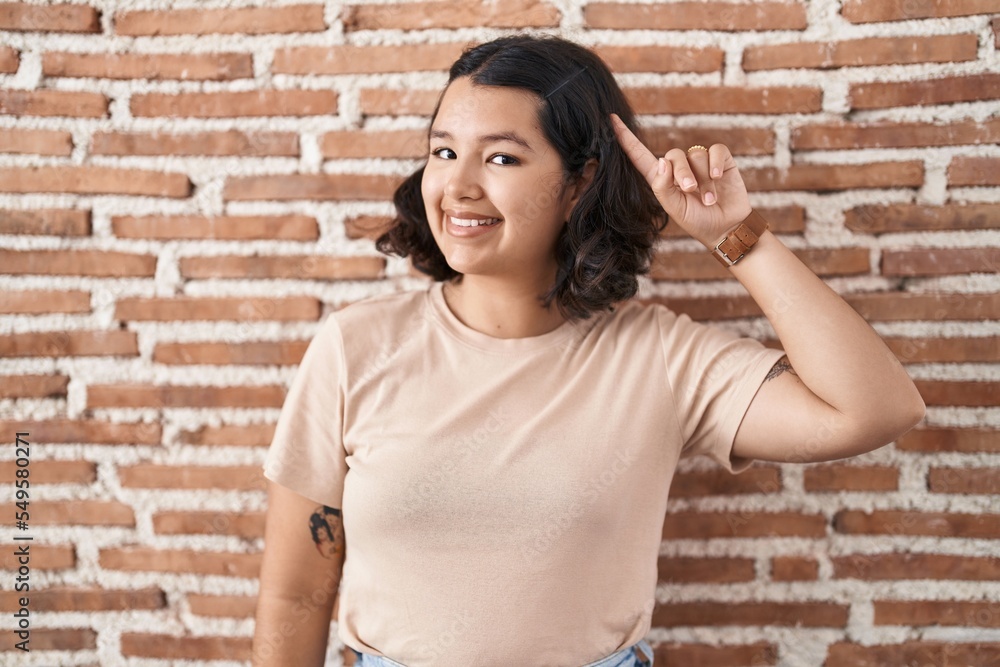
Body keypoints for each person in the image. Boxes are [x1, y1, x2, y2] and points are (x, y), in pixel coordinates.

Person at [252, 34, 925, 667]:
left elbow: (874, 410)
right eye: (444, 151)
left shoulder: (661, 357)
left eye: (502, 157)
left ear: (579, 183)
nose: (458, 186)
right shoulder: (355, 347)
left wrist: (736, 236)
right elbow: (295, 595)